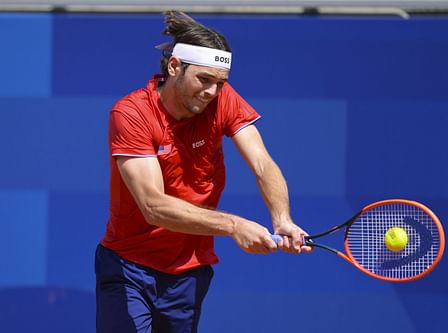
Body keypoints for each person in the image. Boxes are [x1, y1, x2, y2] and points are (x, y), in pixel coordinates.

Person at [95, 10, 311, 333]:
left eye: (220, 83)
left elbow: (263, 163)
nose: (212, 91)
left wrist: (282, 218)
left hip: (189, 272)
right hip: (129, 267)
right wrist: (234, 225)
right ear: (174, 67)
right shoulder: (131, 113)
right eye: (204, 80)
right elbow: (153, 206)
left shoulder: (222, 100)